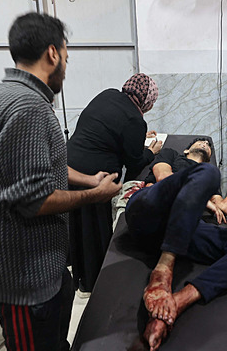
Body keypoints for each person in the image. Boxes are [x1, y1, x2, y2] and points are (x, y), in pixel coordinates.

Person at [0, 12, 122, 351]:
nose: (66, 64)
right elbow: (32, 199)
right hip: (20, 280)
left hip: (41, 270)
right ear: (53, 53)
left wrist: (87, 179)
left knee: (61, 307)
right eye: (66, 55)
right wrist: (96, 196)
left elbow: (42, 166)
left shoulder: (12, 96)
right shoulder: (28, 108)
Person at [124, 137, 227, 351]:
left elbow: (224, 208)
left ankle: (177, 303)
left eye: (208, 145)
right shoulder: (172, 155)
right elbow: (163, 177)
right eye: (200, 142)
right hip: (150, 211)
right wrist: (203, 197)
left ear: (210, 155)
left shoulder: (210, 178)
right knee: (208, 173)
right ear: (186, 150)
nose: (204, 144)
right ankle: (163, 270)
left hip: (187, 229)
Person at [67, 73, 163, 294]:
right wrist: (151, 151)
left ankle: (80, 274)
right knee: (95, 229)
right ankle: (96, 281)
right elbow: (134, 163)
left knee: (79, 224)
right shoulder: (135, 120)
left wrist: (138, 136)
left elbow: (108, 130)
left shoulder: (109, 95)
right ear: (146, 100)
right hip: (95, 175)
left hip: (71, 166)